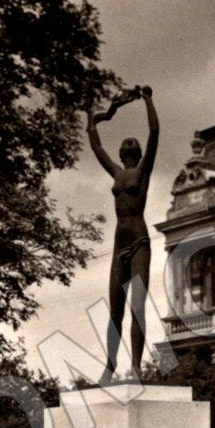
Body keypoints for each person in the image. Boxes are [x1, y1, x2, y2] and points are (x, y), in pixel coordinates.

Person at [86, 85, 159, 384]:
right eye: (126, 142)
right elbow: (96, 147)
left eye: (133, 141)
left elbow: (154, 132)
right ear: (122, 152)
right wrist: (92, 117)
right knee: (115, 309)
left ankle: (137, 367)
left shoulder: (142, 171)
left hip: (139, 240)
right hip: (120, 244)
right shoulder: (117, 173)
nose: (130, 142)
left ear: (138, 152)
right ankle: (110, 365)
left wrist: (147, 100)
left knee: (137, 305)